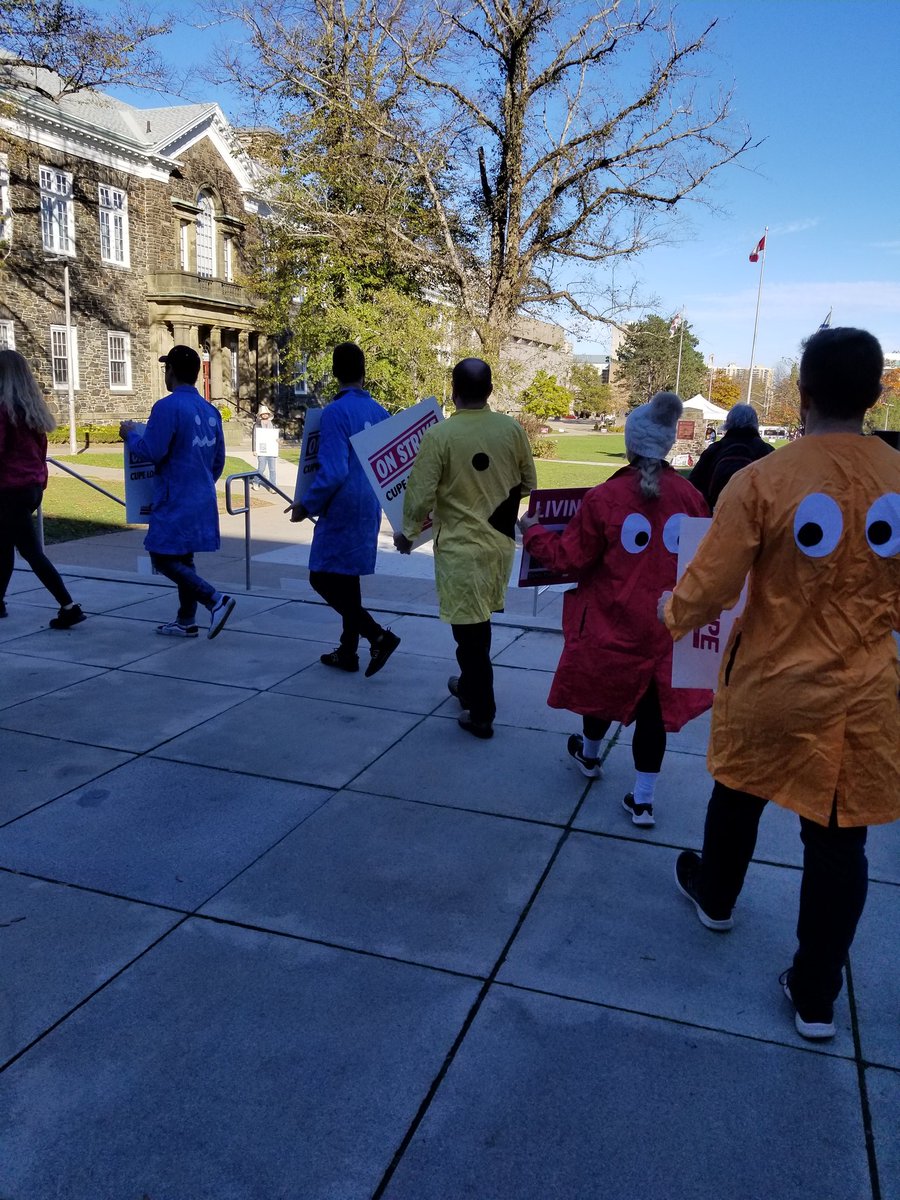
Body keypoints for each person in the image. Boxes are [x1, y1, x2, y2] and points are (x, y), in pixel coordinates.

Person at [661, 327, 900, 1041]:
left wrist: (671, 614)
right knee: (839, 843)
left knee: (737, 791)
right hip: (862, 696)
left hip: (771, 679)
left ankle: (716, 897)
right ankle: (816, 993)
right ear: (877, 393)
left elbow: (712, 583)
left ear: (802, 393)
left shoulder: (764, 480)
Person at [519, 391, 712, 825]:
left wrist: (532, 532)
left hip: (613, 622)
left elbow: (569, 558)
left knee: (601, 691)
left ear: (631, 444)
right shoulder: (690, 497)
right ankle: (643, 799)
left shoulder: (605, 498)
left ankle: (589, 756)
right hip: (666, 626)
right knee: (653, 714)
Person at [394, 358, 536, 738]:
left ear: (454, 391)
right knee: (477, 627)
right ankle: (469, 685)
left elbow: (419, 494)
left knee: (470, 636)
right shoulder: (512, 430)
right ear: (490, 391)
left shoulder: (440, 436)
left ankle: (481, 712)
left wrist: (407, 535)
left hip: (460, 551)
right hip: (500, 547)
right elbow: (528, 483)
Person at [286, 342, 400, 677]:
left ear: (335, 372)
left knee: (320, 577)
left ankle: (377, 635)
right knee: (348, 578)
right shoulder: (380, 412)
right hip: (369, 504)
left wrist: (306, 505)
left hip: (342, 505)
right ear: (364, 371)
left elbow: (334, 471)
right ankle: (348, 651)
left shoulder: (335, 412)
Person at [119, 345, 235, 640]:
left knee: (160, 556)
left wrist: (130, 435)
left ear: (170, 370)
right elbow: (219, 460)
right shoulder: (210, 411)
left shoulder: (167, 407)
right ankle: (186, 620)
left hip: (174, 496)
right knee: (184, 558)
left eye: (165, 368)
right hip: (202, 495)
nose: (165, 373)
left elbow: (151, 451)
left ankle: (214, 599)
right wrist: (201, 481)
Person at [0, 349, 86, 628]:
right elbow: (40, 452)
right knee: (4, 546)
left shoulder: (3, 411)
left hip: (9, 490)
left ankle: (69, 606)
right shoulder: (32, 410)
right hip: (32, 487)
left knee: (30, 551)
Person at [689, 403, 774, 510]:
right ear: (755, 423)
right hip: (755, 515)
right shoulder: (767, 451)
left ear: (728, 422)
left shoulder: (714, 450)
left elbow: (693, 485)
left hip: (716, 514)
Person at [251, 405, 279, 490]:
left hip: (271, 450)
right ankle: (256, 482)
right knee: (261, 468)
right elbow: (255, 437)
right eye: (263, 414)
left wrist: (277, 440)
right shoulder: (257, 425)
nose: (265, 415)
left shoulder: (272, 424)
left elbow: (275, 436)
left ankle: (273, 486)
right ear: (260, 415)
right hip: (262, 449)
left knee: (272, 469)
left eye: (266, 413)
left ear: (268, 414)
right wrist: (254, 449)